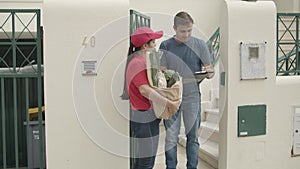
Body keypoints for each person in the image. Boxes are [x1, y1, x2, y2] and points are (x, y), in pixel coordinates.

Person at [159, 11, 215, 169]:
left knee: (193, 137)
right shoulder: (166, 46)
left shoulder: (200, 45)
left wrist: (210, 72)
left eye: (189, 30)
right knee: (171, 138)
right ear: (174, 28)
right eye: (183, 31)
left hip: (192, 98)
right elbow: (161, 72)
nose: (186, 34)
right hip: (172, 98)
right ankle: (171, 167)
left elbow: (210, 69)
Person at [125, 26, 180, 169]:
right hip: (143, 118)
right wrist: (170, 103)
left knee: (144, 161)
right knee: (146, 162)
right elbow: (144, 90)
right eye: (153, 43)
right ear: (145, 45)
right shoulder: (138, 63)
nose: (155, 46)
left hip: (148, 116)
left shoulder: (144, 62)